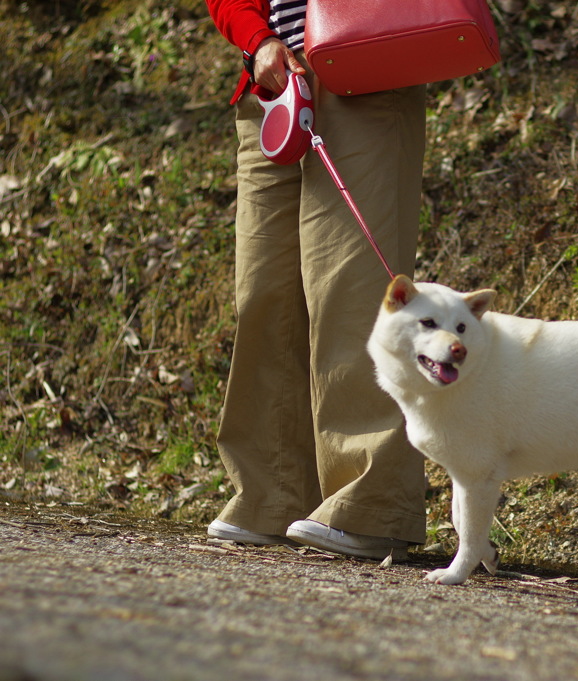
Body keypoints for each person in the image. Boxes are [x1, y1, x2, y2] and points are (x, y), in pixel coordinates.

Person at [203, 0, 427, 560]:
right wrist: (257, 42)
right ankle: (272, 495)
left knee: (351, 286)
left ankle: (374, 504)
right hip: (273, 86)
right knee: (264, 291)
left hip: (365, 68)